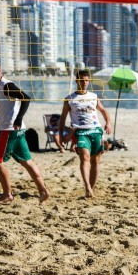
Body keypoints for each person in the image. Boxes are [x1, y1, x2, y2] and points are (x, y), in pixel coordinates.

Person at [0, 61, 50, 205]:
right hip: (16, 131)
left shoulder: (7, 85)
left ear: (0, 70)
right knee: (27, 162)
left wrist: (19, 119)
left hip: (9, 130)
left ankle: (7, 194)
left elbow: (26, 98)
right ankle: (43, 191)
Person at [59, 69, 112, 199]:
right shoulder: (70, 99)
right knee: (85, 158)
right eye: (82, 80)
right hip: (81, 131)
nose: (84, 83)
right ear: (77, 80)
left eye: (87, 80)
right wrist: (61, 135)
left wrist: (108, 123)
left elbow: (103, 110)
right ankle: (87, 187)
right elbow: (63, 118)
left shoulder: (93, 96)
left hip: (95, 130)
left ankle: (91, 191)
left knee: (96, 160)